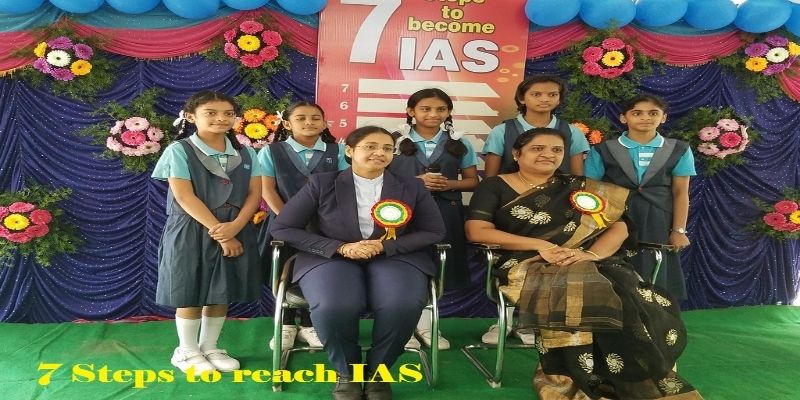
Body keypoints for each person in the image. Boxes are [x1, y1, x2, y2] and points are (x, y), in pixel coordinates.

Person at [465, 127, 703, 399]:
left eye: (556, 150)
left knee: (626, 292)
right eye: (537, 148)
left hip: (586, 258)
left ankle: (629, 375)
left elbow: (619, 226)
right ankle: (571, 377)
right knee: (582, 287)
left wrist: (592, 255)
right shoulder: (494, 186)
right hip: (525, 261)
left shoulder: (579, 187)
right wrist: (543, 246)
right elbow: (477, 231)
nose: (548, 154)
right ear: (517, 154)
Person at [270, 126, 446, 400]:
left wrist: (385, 245)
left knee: (402, 304)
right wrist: (339, 247)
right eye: (370, 146)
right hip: (332, 257)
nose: (380, 153)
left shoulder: (411, 186)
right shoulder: (321, 183)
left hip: (394, 256)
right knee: (334, 304)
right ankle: (347, 372)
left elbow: (434, 231)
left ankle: (378, 373)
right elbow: (283, 228)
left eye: (387, 148)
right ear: (350, 151)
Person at [152, 91, 263, 376]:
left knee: (221, 291)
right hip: (192, 227)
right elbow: (185, 196)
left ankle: (210, 346)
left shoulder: (246, 152)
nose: (221, 118)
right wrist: (224, 234)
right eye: (210, 113)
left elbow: (254, 194)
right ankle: (186, 351)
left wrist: (236, 226)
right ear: (191, 117)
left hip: (235, 226)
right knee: (189, 289)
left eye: (228, 113)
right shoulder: (179, 150)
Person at [479, 74, 590, 344]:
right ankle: (506, 321)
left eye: (551, 94)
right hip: (512, 217)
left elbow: (579, 182)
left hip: (561, 214)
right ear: (521, 98)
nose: (544, 99)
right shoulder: (503, 131)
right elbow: (491, 177)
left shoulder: (571, 132)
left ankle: (540, 323)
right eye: (536, 94)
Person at [387, 88, 479, 350]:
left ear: (449, 112)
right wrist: (416, 182)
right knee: (403, 265)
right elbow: (378, 178)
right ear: (410, 111)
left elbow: (473, 181)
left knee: (440, 266)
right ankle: (403, 328)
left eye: (441, 109)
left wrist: (449, 184)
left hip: (446, 214)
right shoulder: (393, 140)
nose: (433, 114)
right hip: (401, 215)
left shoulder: (460, 142)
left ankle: (427, 326)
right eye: (425, 109)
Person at [257, 101, 349, 351]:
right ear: (287, 124)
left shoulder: (338, 151)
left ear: (325, 122)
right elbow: (267, 189)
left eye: (315, 118)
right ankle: (286, 325)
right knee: (282, 273)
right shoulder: (271, 152)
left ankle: (310, 325)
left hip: (324, 227)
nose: (309, 122)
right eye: (301, 118)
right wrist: (288, 220)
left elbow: (345, 187)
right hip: (282, 224)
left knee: (318, 273)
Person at [585, 94, 696, 300]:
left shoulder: (679, 149)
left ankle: (658, 314)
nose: (645, 118)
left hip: (659, 218)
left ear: (663, 117)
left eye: (653, 113)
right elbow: (590, 191)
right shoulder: (603, 149)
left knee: (655, 266)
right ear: (623, 118)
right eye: (637, 113)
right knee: (616, 263)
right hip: (616, 218)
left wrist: (678, 230)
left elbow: (680, 192)